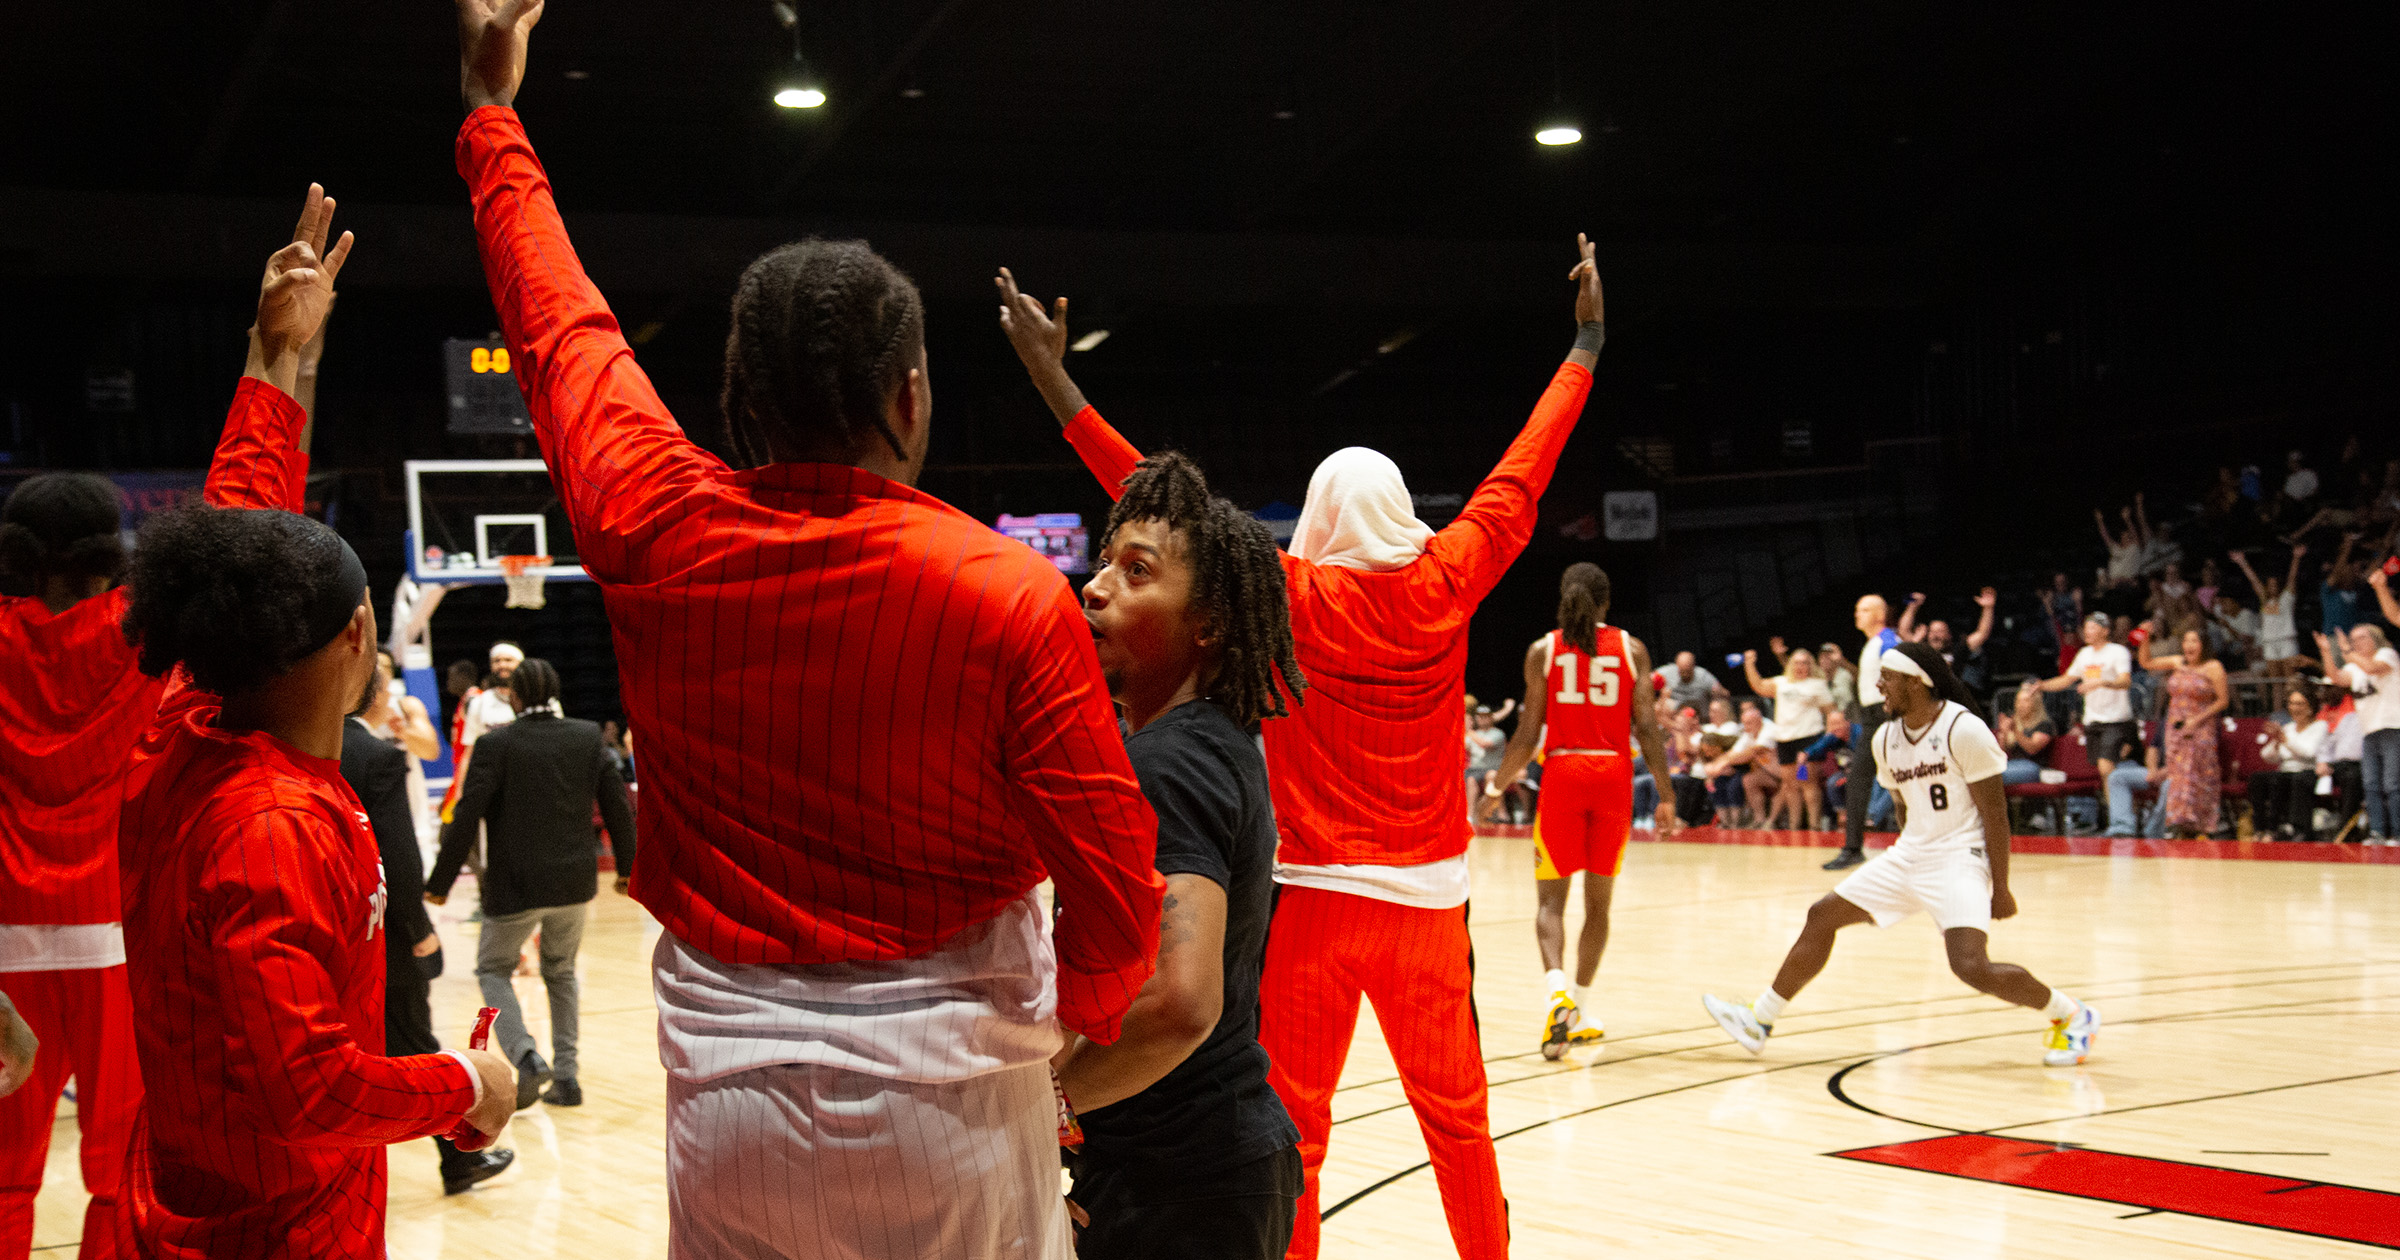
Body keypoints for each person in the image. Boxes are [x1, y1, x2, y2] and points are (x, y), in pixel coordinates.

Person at [452, 11, 1166, 1255]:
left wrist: (490, 117)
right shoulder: (1006, 593)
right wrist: (1071, 1035)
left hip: (725, 1107)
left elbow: (564, 334)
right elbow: (1111, 885)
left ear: (736, 397)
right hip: (951, 1105)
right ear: (908, 393)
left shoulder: (655, 523)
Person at [998, 235, 1605, 1260]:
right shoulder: (1448, 579)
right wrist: (1584, 346)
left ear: (1320, 519)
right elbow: (1524, 472)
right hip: (1426, 907)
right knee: (1458, 1124)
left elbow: (1163, 498)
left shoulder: (1293, 590)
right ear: (1404, 513)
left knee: (1304, 1136)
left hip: (1312, 904)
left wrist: (1055, 380)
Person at [112, 186, 517, 1254]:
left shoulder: (183, 716)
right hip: (279, 1232)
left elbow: (239, 521)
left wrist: (274, 353)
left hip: (188, 1188)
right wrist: (465, 1082)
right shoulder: (271, 827)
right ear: (354, 642)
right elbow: (312, 1095)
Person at [1056, 454, 1307, 1260]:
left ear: (1207, 624)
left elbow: (1180, 1002)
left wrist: (1039, 1108)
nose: (1096, 587)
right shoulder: (1215, 742)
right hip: (1205, 1165)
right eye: (1104, 564)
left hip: (1184, 1182)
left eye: (1137, 572)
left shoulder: (1172, 759)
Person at [1702, 643, 2099, 1067]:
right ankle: (1759, 1020)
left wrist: (1999, 886)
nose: (1878, 685)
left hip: (1959, 858)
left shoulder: (1963, 729)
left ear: (1916, 681)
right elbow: (1904, 806)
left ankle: (2072, 1014)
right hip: (1911, 854)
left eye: (1886, 677)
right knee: (1823, 914)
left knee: (1970, 966)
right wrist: (1908, 857)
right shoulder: (1886, 738)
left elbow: (1995, 815)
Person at [0, 471, 154, 1260]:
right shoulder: (139, 631)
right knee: (121, 1168)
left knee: (2, 1176)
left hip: (6, 945)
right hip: (113, 941)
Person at [1477, 564, 1676, 1058]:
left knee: (1550, 903)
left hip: (1563, 775)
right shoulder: (1632, 650)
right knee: (1599, 905)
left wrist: (1498, 788)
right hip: (1613, 777)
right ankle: (1580, 1009)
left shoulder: (1544, 650)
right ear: (1607, 602)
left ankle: (1557, 996)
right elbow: (1648, 730)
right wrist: (1668, 795)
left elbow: (1526, 735)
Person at [427, 658, 635, 1111]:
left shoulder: (496, 743)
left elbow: (467, 816)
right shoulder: (586, 736)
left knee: (492, 970)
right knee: (561, 974)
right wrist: (627, 867)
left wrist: (440, 882)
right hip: (575, 883)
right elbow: (617, 806)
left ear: (513, 696)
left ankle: (524, 1054)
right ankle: (568, 1077)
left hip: (515, 885)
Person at [341, 673, 516, 1194]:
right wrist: (418, 927)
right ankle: (458, 1152)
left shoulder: (326, 740)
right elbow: (394, 855)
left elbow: (430, 745)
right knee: (412, 1040)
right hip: (382, 922)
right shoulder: (375, 756)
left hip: (337, 924)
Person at [1828, 594, 1902, 870]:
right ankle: (1852, 847)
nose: (1857, 614)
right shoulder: (1872, 644)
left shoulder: (1888, 641)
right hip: (1871, 718)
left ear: (1880, 615)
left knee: (1875, 780)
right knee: (1862, 781)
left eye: (1865, 609)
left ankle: (1853, 847)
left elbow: (1902, 674)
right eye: (1857, 609)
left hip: (1886, 717)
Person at [2139, 628, 2228, 838]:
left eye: (2194, 640)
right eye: (2186, 640)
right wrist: (2144, 638)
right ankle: (2178, 822)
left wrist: (2197, 720)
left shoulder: (2213, 667)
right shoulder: (2177, 662)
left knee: (2196, 774)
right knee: (2177, 774)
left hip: (2202, 725)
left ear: (2203, 644)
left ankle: (2200, 823)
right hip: (2175, 726)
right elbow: (2146, 663)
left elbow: (2223, 700)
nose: (2189, 645)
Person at [2317, 623, 2400, 843]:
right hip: (2369, 731)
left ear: (2375, 638)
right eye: (2352, 639)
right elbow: (2336, 677)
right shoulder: (2355, 666)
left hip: (2393, 727)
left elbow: (2373, 668)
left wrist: (2347, 652)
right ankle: (2378, 832)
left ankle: (2398, 833)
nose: (2355, 643)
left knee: (2392, 784)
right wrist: (2326, 651)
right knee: (2371, 784)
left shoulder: (2387, 654)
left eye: (2361, 638)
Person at [1742, 646, 1837, 830]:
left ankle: (1814, 825)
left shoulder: (1816, 684)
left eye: (1805, 663)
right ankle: (1794, 826)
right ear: (1791, 665)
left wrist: (1828, 737)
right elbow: (1759, 686)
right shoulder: (1781, 682)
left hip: (1808, 741)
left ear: (1810, 665)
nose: (1801, 666)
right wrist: (1749, 664)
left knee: (1807, 783)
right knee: (1790, 785)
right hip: (1786, 741)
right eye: (1797, 662)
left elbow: (1831, 711)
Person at [2039, 613, 2139, 786]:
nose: (2087, 632)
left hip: (2115, 720)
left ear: (2105, 631)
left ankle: (2116, 812)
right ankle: (2121, 805)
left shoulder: (2118, 651)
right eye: (2085, 628)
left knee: (2106, 767)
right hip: (2092, 721)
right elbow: (2066, 679)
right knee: (2105, 770)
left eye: (2092, 627)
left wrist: (2101, 682)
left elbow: (2125, 681)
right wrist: (2041, 686)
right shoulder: (2084, 654)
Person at [2249, 689, 2330, 840]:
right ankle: (2260, 828)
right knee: (2258, 778)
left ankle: (2282, 828)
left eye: (2300, 703)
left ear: (2310, 707)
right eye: (2292, 703)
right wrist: (2276, 742)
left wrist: (2285, 740)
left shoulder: (2320, 727)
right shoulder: (2288, 728)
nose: (2295, 708)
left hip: (2306, 771)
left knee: (2280, 780)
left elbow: (2308, 752)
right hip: (2286, 771)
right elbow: (2268, 757)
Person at [1996, 686, 2057, 787]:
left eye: (2026, 701)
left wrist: (2015, 730)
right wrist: (2003, 733)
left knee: (1996, 776)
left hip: (2033, 767)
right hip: (2011, 764)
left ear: (2036, 704)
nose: (2021, 705)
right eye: (2019, 701)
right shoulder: (2015, 723)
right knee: (1986, 772)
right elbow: (2001, 753)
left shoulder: (2044, 725)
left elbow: (2032, 749)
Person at [1655, 651, 1730, 716]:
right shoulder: (1667, 672)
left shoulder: (1703, 676)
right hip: (1676, 714)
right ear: (1677, 666)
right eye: (1682, 671)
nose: (1685, 674)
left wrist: (1719, 693)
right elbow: (1646, 681)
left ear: (1694, 666)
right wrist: (1662, 695)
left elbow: (1725, 693)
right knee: (1664, 703)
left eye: (1687, 671)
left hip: (1701, 713)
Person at [1463, 706, 1507, 805]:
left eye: (1485, 716)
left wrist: (1469, 730)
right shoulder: (1473, 734)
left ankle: (1497, 812)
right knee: (1470, 780)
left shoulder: (1498, 733)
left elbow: (1486, 744)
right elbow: (1464, 746)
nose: (1482, 719)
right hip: (1475, 770)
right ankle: (1469, 815)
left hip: (1494, 769)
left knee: (1491, 776)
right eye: (1480, 716)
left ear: (1491, 717)